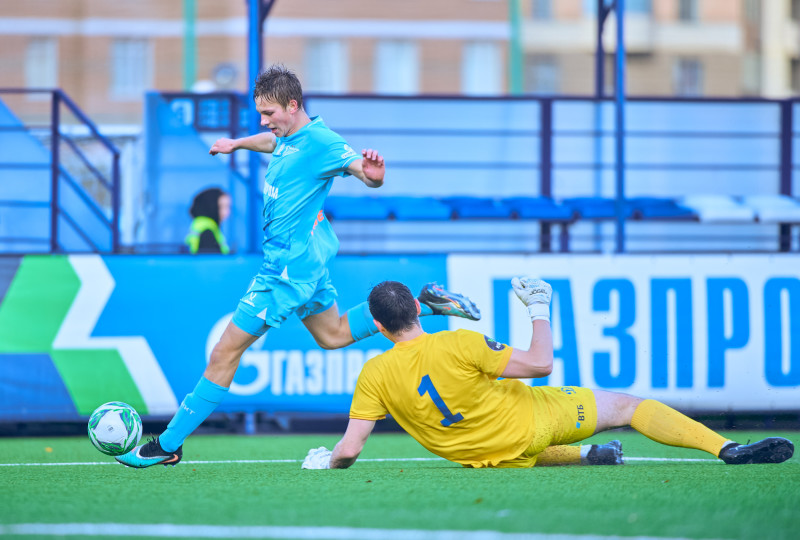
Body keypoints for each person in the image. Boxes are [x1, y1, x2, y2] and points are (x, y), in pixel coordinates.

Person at [116, 64, 481, 468]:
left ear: (293, 105)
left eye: (269, 114)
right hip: (302, 266)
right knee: (334, 335)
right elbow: (274, 145)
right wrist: (237, 143)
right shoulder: (287, 136)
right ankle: (423, 303)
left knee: (224, 352)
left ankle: (168, 444)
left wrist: (373, 175)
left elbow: (361, 170)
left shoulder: (322, 141)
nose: (264, 121)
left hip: (285, 275)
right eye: (261, 114)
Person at [301, 277, 795, 469]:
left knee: (512, 451)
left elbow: (351, 448)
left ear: (380, 326)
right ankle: (726, 449)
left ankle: (587, 456)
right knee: (626, 405)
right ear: (414, 307)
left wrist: (328, 463)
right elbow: (540, 363)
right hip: (532, 422)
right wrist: (540, 307)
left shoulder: (372, 375)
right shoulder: (461, 343)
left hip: (480, 456)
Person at [185, 187, 231, 254]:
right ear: (211, 206)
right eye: (222, 207)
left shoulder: (201, 225)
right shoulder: (207, 232)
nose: (227, 212)